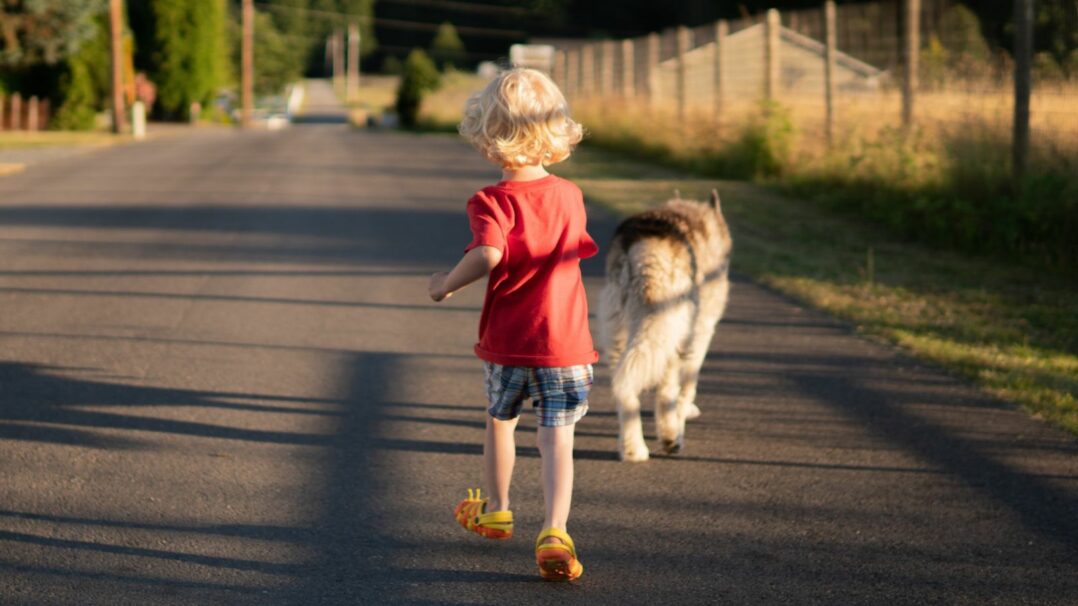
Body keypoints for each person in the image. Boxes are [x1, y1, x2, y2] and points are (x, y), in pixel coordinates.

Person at [427, 67, 596, 582]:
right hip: (565, 342)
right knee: (557, 435)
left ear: (487, 136)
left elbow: (489, 254)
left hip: (509, 341)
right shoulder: (569, 195)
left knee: (501, 420)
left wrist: (446, 284)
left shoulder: (490, 201)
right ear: (555, 132)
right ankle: (554, 529)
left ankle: (497, 507)